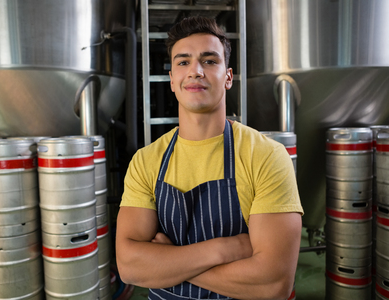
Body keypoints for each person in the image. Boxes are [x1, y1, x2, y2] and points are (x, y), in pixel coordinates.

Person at [116, 16, 304, 300]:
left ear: (228, 77)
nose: (195, 71)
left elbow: (274, 283)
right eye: (183, 62)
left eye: (209, 61)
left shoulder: (265, 156)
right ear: (171, 80)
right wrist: (224, 250)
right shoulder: (146, 161)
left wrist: (166, 262)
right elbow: (129, 267)